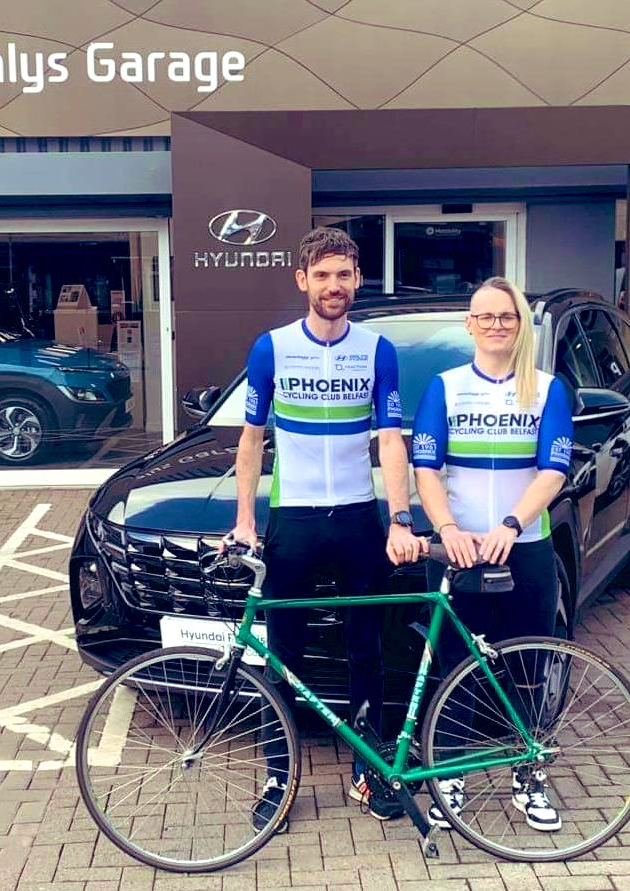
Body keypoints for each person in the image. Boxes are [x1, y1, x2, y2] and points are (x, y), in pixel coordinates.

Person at [226, 226, 427, 831]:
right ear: (302, 281)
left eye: (344, 274)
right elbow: (251, 439)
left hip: (358, 518)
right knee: (282, 653)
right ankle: (279, 781)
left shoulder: (377, 349)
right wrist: (243, 520)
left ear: (357, 280)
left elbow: (390, 439)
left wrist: (398, 516)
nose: (334, 285)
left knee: (365, 647)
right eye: (323, 275)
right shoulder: (271, 349)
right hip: (294, 518)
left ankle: (369, 773)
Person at [412, 276, 573, 833]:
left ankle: (529, 777)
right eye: (486, 316)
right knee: (455, 663)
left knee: (529, 665)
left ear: (520, 324)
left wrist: (512, 523)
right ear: (470, 325)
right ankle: (451, 776)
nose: (497, 325)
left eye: (507, 316)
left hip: (524, 547)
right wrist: (447, 527)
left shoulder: (547, 388)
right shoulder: (446, 386)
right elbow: (425, 468)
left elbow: (553, 470)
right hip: (457, 549)